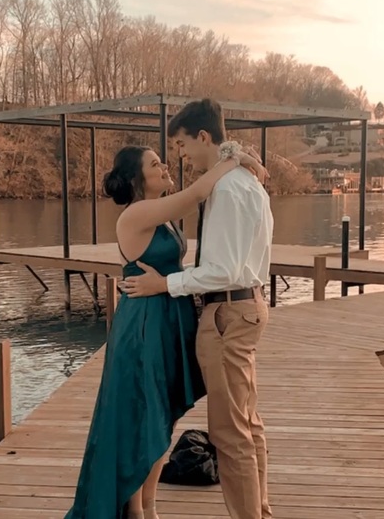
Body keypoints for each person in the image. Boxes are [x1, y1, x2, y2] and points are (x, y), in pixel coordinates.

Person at [64, 142, 267, 519]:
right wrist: (235, 159)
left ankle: (149, 505)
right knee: (145, 415)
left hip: (169, 316)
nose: (165, 167)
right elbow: (197, 193)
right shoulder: (137, 213)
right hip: (145, 323)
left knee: (163, 416)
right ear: (136, 178)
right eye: (155, 164)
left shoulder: (163, 214)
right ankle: (135, 510)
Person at [121, 98, 274, 519]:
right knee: (248, 424)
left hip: (227, 314)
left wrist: (165, 284)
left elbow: (222, 270)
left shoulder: (227, 188)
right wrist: (238, 157)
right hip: (248, 305)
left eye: (182, 145)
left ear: (203, 137)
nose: (180, 155)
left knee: (230, 435)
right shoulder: (249, 182)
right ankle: (260, 510)